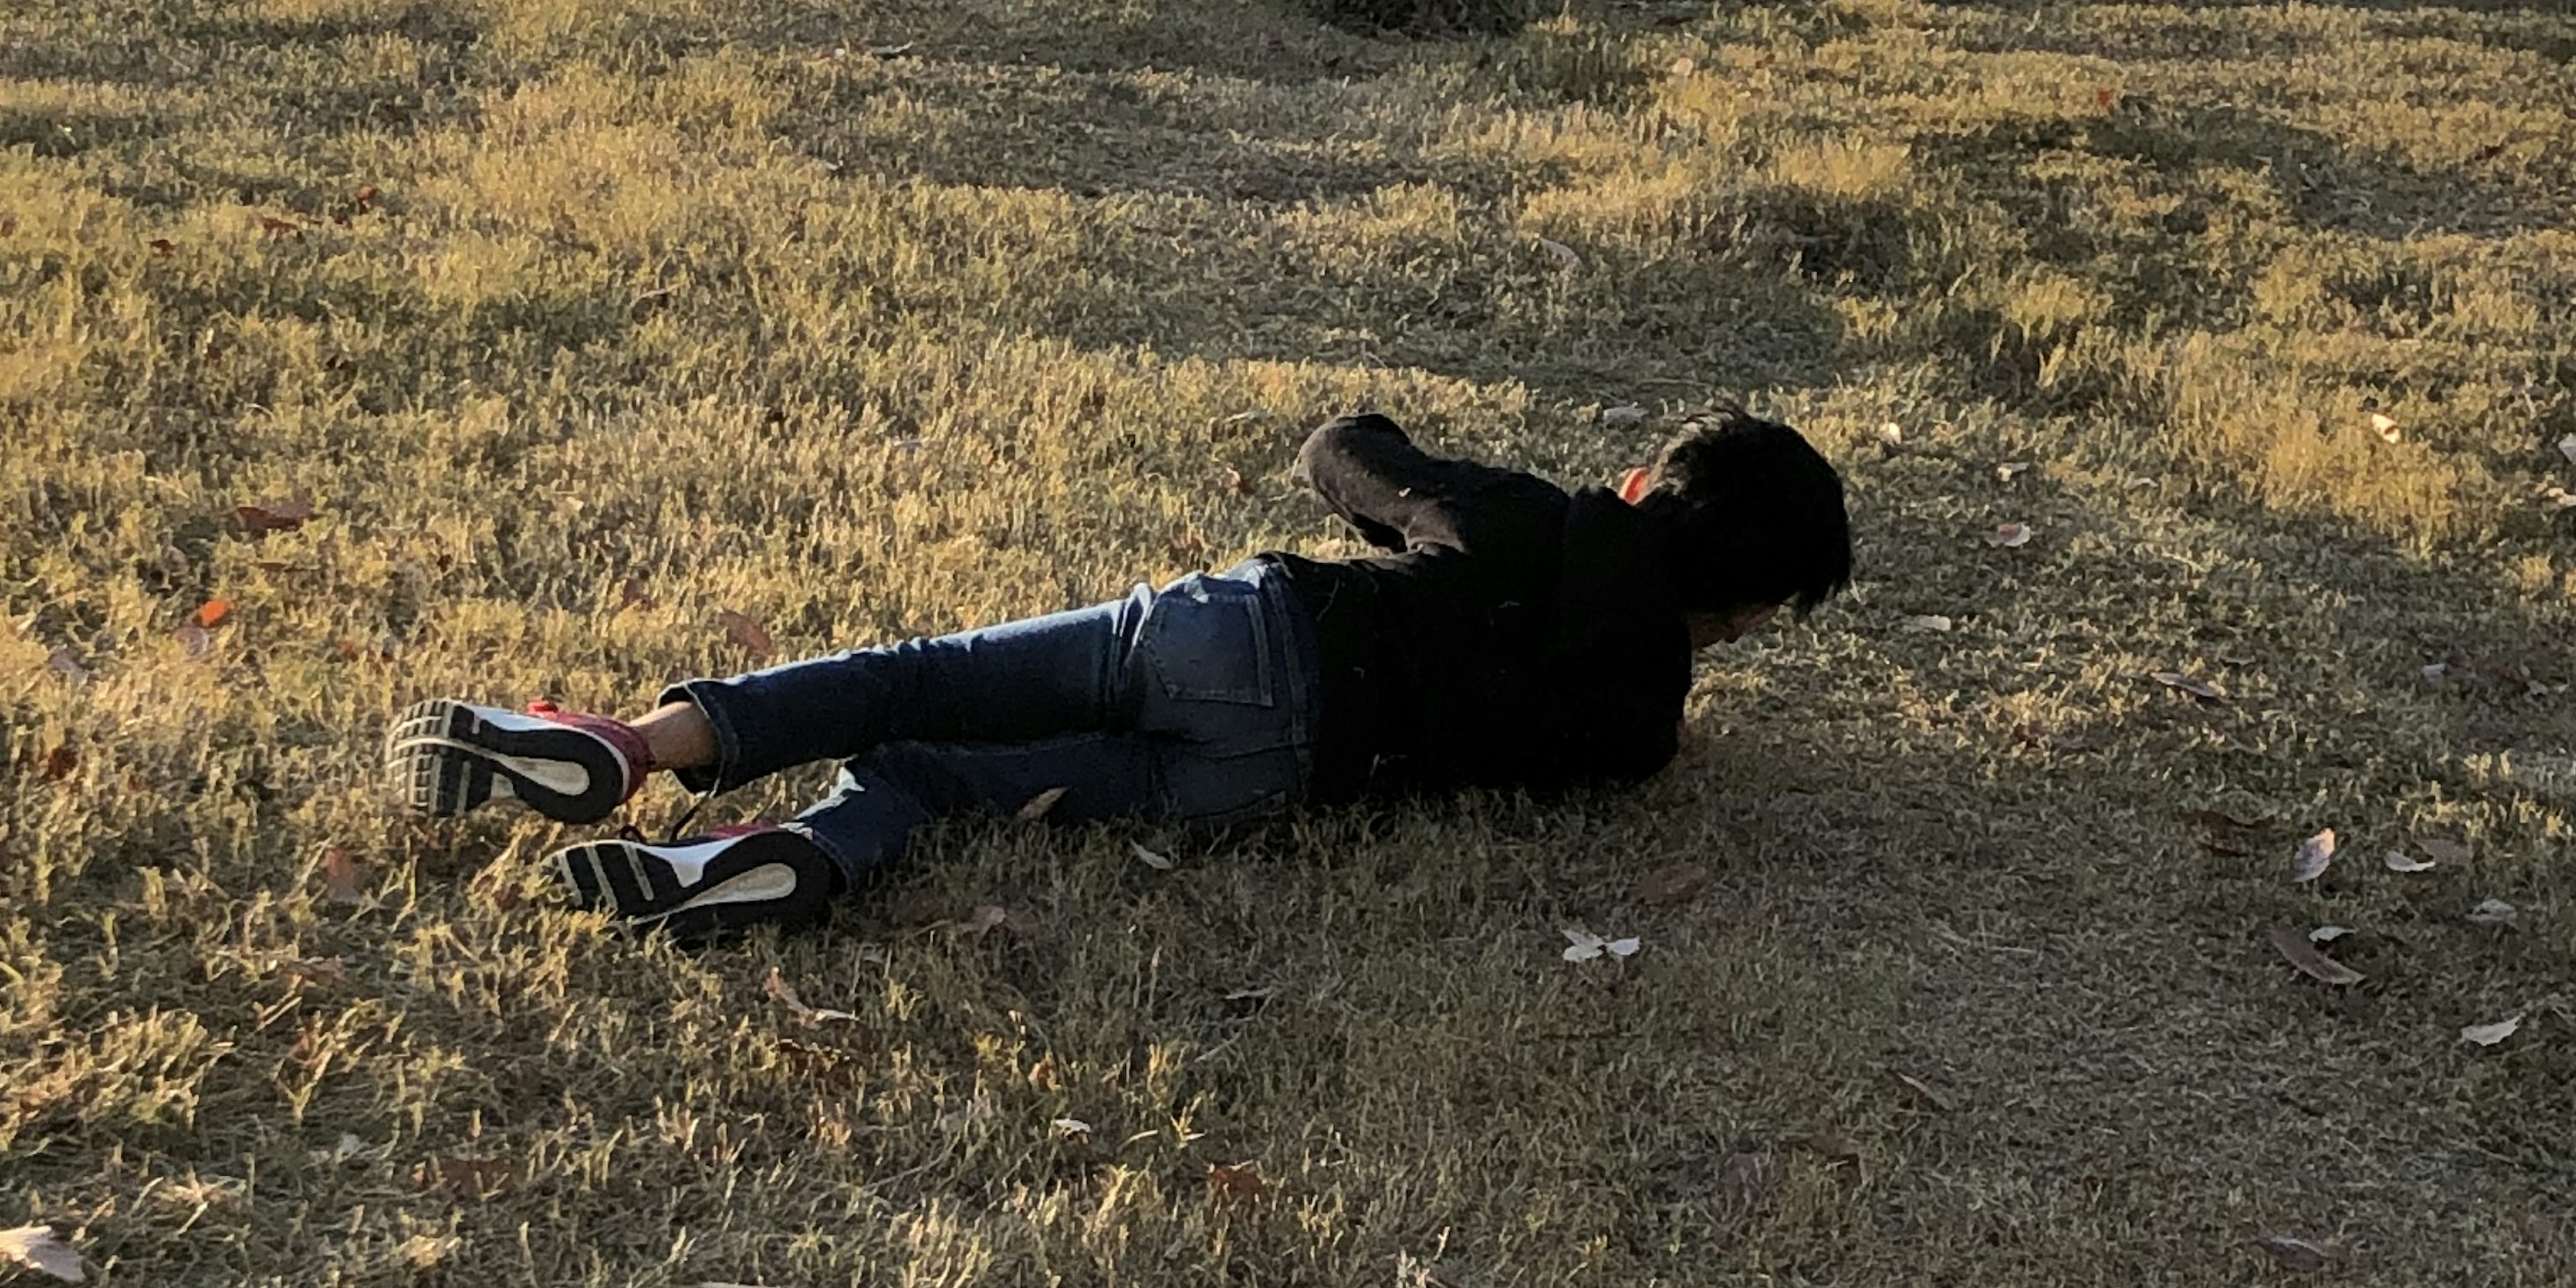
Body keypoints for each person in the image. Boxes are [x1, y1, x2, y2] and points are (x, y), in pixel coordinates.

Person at [380, 409, 1853, 949]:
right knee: (945, 786)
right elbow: (1575, 745)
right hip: (1267, 781)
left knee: (921, 685)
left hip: (1235, 638)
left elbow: (1340, 449)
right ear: (1757, 610)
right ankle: (791, 855)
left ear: (1648, 482)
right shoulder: (1643, 727)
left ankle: (632, 751)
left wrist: (1417, 481)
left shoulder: (1539, 517)